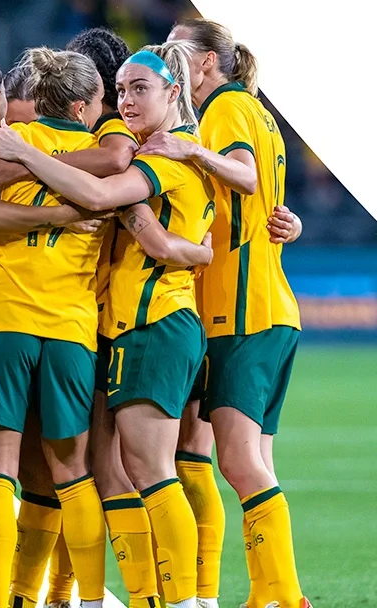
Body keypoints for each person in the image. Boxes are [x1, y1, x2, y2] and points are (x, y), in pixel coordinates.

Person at [0, 41, 217, 608]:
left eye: (136, 90)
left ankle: (1, 599)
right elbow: (117, 185)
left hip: (36, 319)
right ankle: (95, 598)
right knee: (85, 472)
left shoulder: (27, 142)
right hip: (80, 329)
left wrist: (22, 157)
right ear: (85, 104)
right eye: (117, 92)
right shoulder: (117, 148)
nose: (123, 103)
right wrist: (197, 252)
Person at [147, 18, 310, 608]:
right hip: (268, 305)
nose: (166, 58)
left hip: (240, 310)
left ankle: (286, 597)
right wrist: (289, 223)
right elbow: (265, 199)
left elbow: (243, 175)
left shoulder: (223, 108)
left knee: (239, 462)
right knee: (255, 460)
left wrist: (189, 148)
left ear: (208, 61)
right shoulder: (257, 111)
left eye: (176, 50)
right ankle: (266, 593)